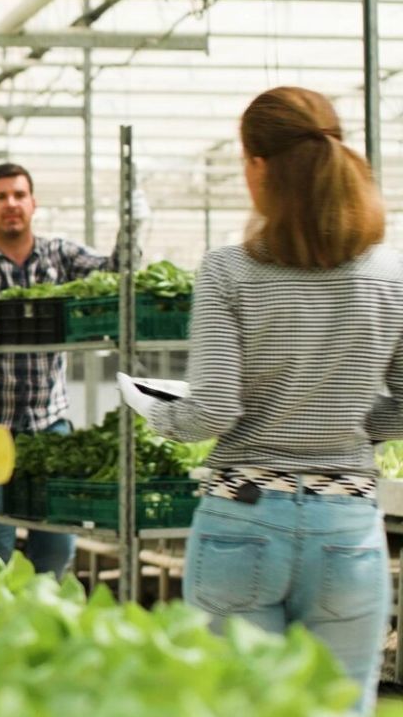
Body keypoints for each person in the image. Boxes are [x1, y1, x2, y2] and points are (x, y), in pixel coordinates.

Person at [118, 86, 399, 716]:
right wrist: (354, 425)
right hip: (347, 529)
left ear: (259, 167)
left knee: (234, 706)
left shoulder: (229, 272)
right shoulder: (390, 276)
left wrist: (152, 407)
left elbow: (211, 411)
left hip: (241, 525)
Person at [0, 162, 148, 578]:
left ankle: (41, 616)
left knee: (56, 540)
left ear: (33, 203)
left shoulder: (58, 255)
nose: (10, 204)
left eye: (18, 195)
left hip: (46, 421)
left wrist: (133, 227)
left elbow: (117, 274)